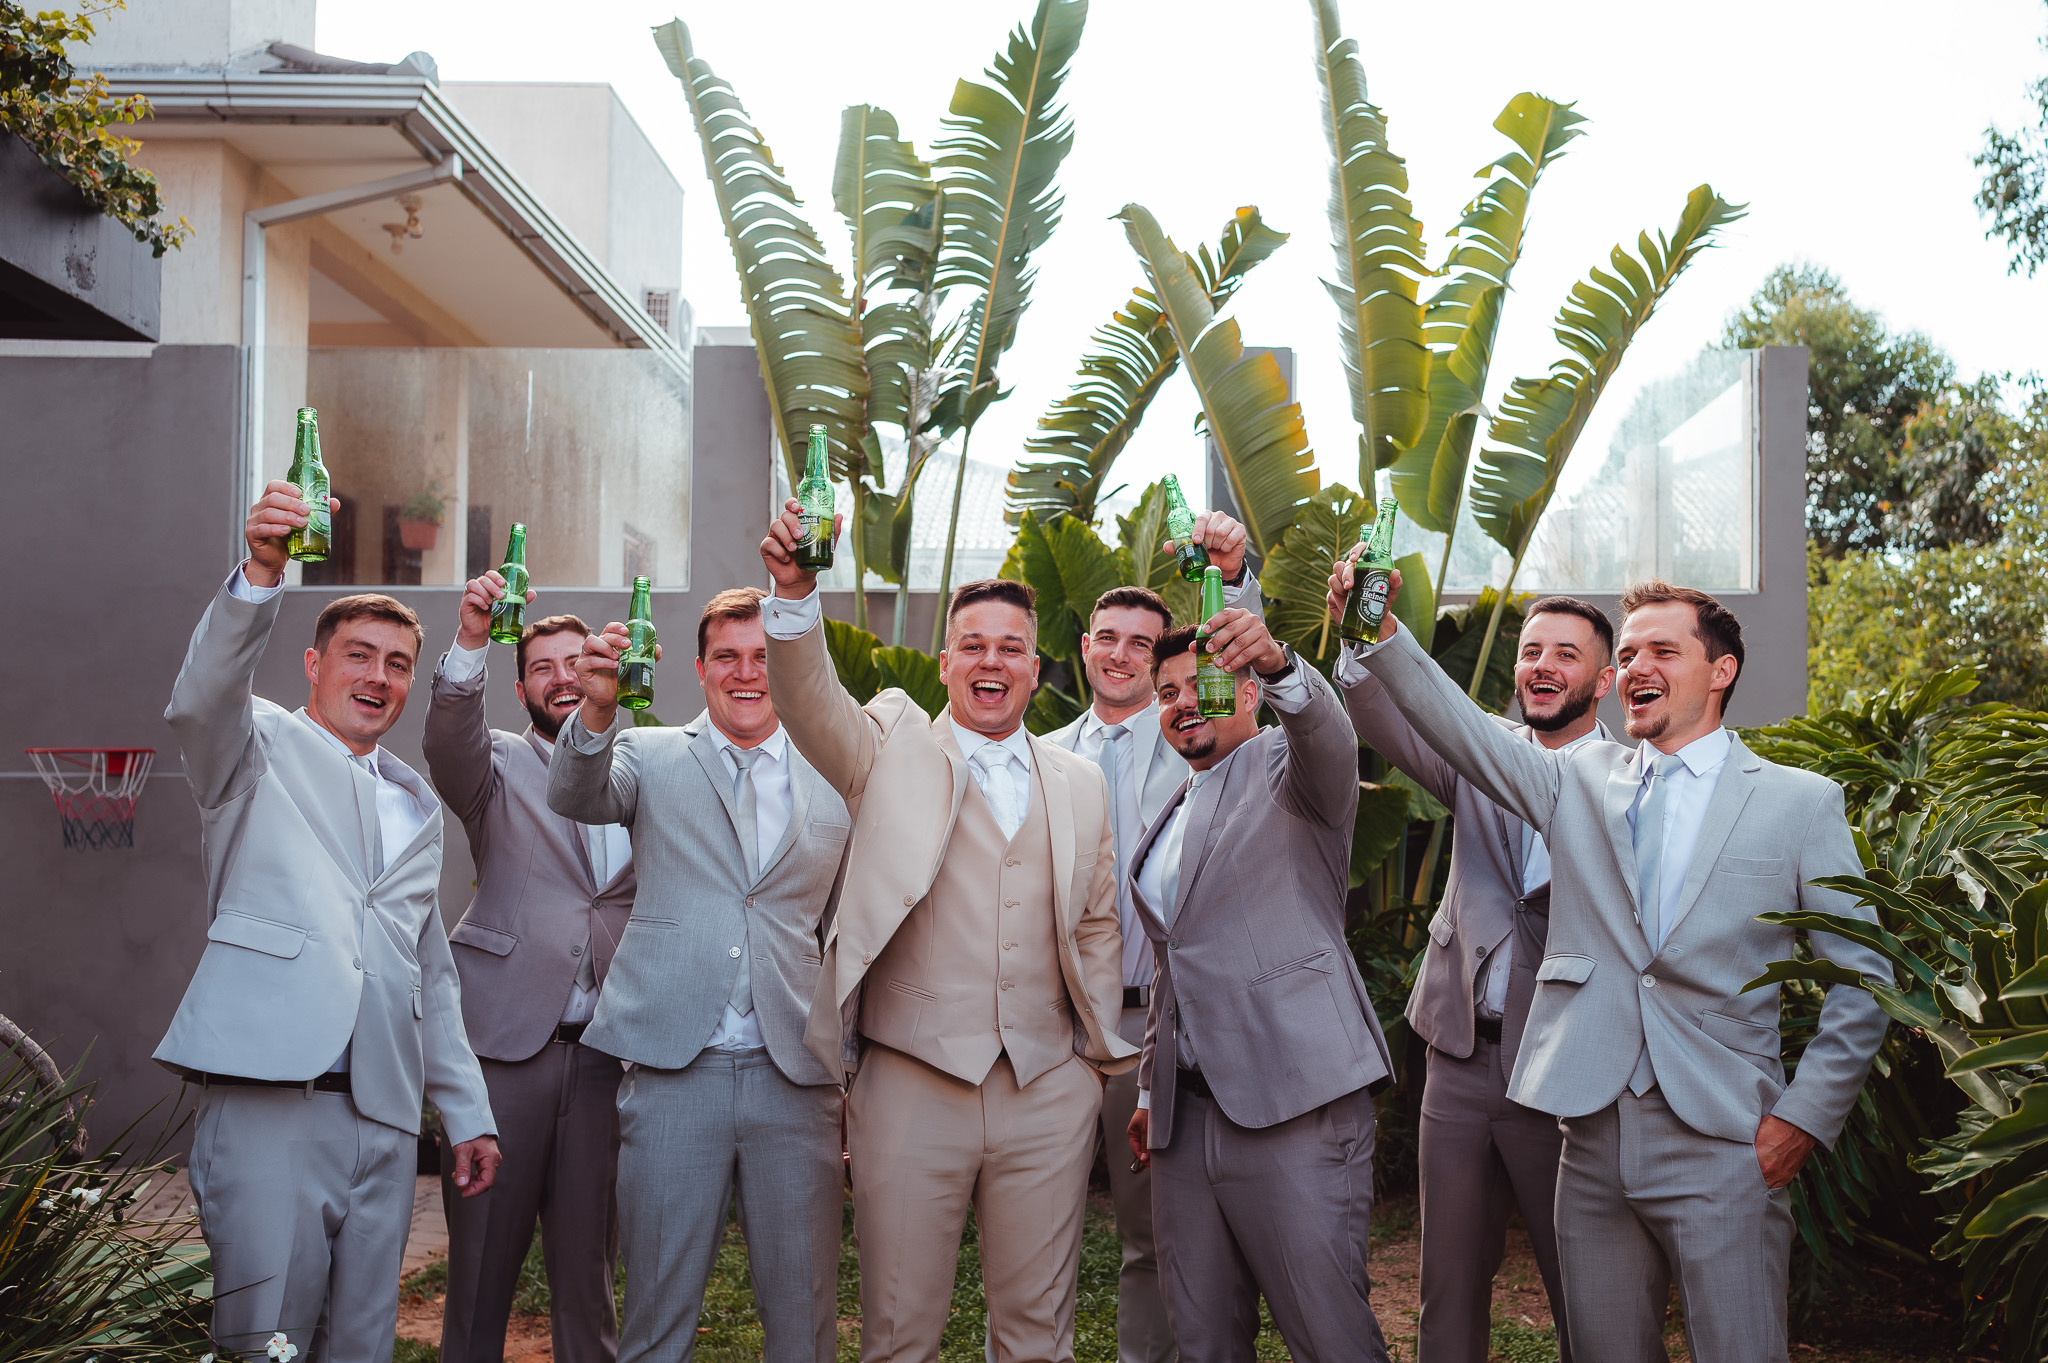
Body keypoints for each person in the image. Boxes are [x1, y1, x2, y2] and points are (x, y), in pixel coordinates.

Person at [1332, 567, 1891, 1363]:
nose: (1636, 668)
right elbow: (1463, 731)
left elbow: (1864, 975)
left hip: (1724, 1141)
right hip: (1590, 1143)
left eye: (1662, 650)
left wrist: (1801, 1118)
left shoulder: (1799, 802)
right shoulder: (1579, 779)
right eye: (1627, 655)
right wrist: (1383, 634)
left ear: (1721, 670)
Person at [759, 501, 1133, 1363]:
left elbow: (1096, 921)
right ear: (946, 661)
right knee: (899, 1333)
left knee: (1039, 1339)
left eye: (1010, 647)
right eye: (973, 645)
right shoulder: (887, 749)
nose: (991, 660)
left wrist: (1085, 1065)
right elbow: (809, 701)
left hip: (1046, 1086)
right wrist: (793, 595)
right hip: (911, 1082)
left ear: (1035, 666)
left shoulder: (1080, 780)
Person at [157, 482, 498, 1362]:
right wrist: (261, 572)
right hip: (271, 1103)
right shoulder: (253, 750)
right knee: (261, 1344)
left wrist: (466, 1111)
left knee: (361, 1346)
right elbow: (201, 697)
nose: (378, 677)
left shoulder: (419, 808)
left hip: (383, 1120)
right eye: (358, 655)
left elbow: (431, 976)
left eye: (397, 664)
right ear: (314, 664)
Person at [549, 587, 851, 1363]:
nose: (747, 672)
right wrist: (597, 707)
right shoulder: (648, 754)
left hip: (797, 1076)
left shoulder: (836, 771)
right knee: (656, 1319)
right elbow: (575, 792)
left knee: (805, 1319)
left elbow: (853, 926)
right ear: (699, 668)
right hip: (672, 1073)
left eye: (763, 657)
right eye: (728, 656)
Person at [1336, 585, 1619, 1363]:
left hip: (1562, 1066)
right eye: (1531, 651)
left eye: (1566, 654)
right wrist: (1359, 629)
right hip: (1459, 1054)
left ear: (1604, 679)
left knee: (1583, 1286)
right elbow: (1381, 713)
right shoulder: (1477, 747)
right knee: (1449, 1281)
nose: (1542, 665)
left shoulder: (1634, 781)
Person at [1123, 610, 1394, 1363]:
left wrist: (1278, 666)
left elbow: (1327, 738)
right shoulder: (1171, 813)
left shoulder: (1287, 770)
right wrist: (1149, 1088)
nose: (1183, 702)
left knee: (1329, 1335)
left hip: (1295, 1101)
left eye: (1201, 684)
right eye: (1167, 692)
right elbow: (1174, 961)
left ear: (1246, 694)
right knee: (1203, 1337)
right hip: (1185, 1118)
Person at [1032, 523, 1260, 1363]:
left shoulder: (1203, 744)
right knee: (1032, 1236)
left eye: (1141, 642)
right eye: (1108, 637)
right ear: (1084, 648)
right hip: (1049, 1033)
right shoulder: (1037, 756)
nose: (1121, 654)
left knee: (1154, 1239)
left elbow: (1249, 677)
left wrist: (1236, 581)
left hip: (1149, 1032)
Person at [422, 587, 637, 1363]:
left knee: (588, 1279)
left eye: (575, 660)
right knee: (480, 1272)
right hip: (505, 1053)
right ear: (520, 690)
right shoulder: (494, 767)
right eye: (542, 667)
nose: (562, 676)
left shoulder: (645, 768)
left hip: (606, 1058)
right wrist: (470, 638)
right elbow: (448, 740)